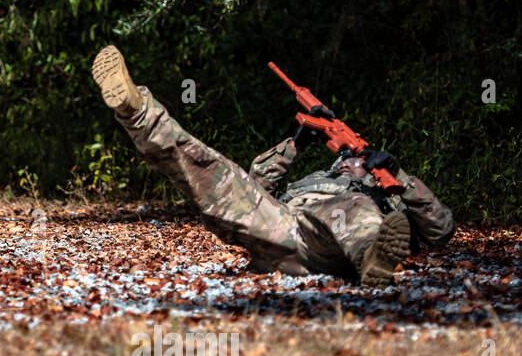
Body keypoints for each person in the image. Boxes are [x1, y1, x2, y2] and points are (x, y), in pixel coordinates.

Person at [90, 45, 455, 287]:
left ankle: (372, 260)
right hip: (281, 229)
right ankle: (138, 112)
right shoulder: (319, 180)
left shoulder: (381, 192)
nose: (348, 164)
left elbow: (440, 229)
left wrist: (401, 177)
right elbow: (257, 187)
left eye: (358, 161)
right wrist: (295, 142)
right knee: (218, 174)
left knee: (351, 207)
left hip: (328, 245)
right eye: (344, 160)